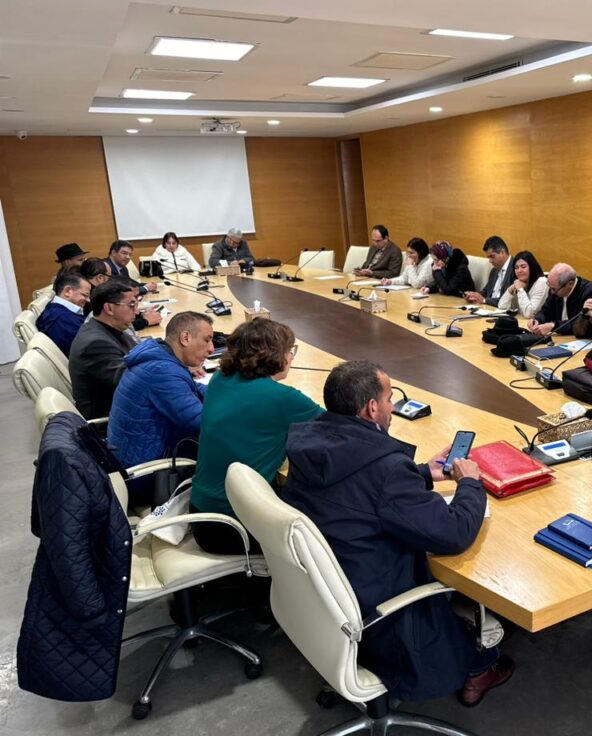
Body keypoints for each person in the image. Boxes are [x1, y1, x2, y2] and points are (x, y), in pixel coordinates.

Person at [281, 361, 514, 706]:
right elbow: (453, 534)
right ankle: (478, 667)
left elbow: (357, 489)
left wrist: (421, 473)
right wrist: (469, 484)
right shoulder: (386, 469)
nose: (392, 406)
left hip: (325, 595)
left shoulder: (311, 442)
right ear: (372, 408)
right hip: (378, 612)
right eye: (390, 398)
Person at [191, 318, 323, 555]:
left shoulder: (220, 379)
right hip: (234, 525)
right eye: (289, 351)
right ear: (275, 356)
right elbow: (341, 429)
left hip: (201, 512)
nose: (291, 358)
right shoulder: (282, 397)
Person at [106, 312, 213, 504]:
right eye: (207, 340)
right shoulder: (161, 372)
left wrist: (223, 392)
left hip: (134, 458)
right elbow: (204, 424)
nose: (211, 348)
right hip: (148, 478)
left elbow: (191, 387)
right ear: (185, 338)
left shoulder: (158, 357)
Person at [68, 280, 138, 420]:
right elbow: (133, 381)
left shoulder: (105, 328)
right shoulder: (95, 344)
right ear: (109, 308)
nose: (136, 311)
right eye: (131, 305)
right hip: (113, 419)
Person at [36, 272, 90, 356]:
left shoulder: (55, 309)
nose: (88, 300)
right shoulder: (63, 321)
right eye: (85, 295)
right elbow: (87, 351)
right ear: (67, 291)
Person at [497, 250, 548, 319]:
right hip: (522, 322)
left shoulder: (541, 282)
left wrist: (520, 289)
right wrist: (510, 289)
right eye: (516, 268)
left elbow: (529, 314)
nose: (519, 271)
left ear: (531, 267)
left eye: (523, 267)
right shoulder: (519, 282)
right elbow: (502, 307)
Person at [464, 235, 513, 306]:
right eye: (489, 257)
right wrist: (474, 296)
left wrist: (484, 300)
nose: (490, 261)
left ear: (502, 252)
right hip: (488, 308)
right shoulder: (494, 270)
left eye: (492, 256)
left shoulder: (516, 269)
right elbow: (486, 291)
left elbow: (507, 300)